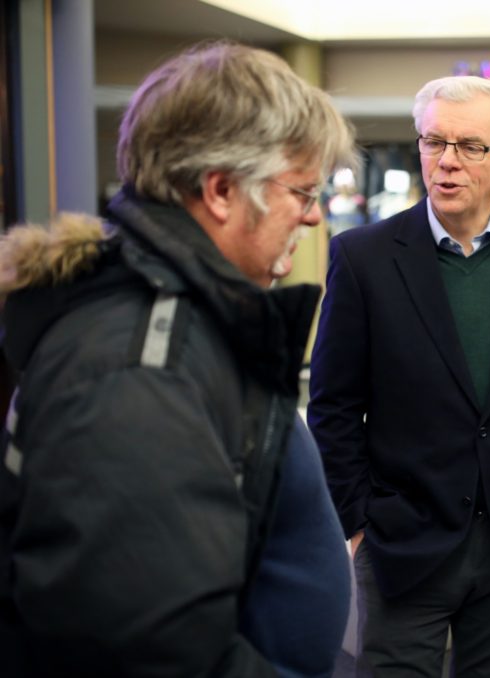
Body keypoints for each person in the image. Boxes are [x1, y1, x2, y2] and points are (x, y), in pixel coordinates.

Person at [0, 42, 356, 677]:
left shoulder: (194, 325)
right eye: (301, 191)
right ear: (221, 191)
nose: (312, 214)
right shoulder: (138, 364)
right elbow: (150, 651)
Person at [307, 75, 490, 678]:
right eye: (433, 141)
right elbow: (333, 407)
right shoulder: (363, 257)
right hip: (402, 542)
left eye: (470, 146)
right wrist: (360, 525)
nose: (447, 162)